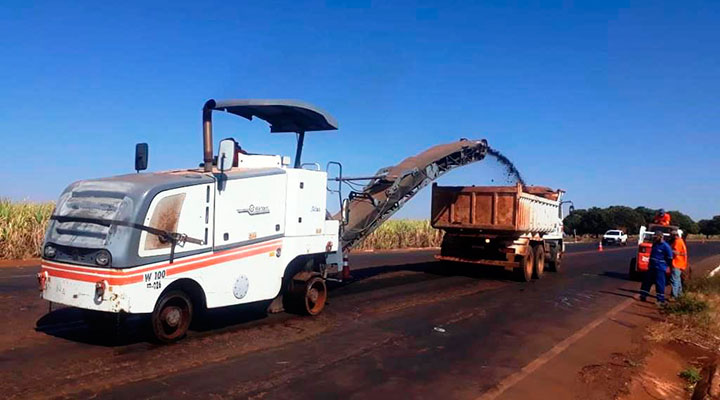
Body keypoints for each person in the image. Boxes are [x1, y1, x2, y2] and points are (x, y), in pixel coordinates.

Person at [640, 231, 674, 304]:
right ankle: (643, 295)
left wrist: (667, 266)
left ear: (661, 237)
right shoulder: (655, 244)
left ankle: (660, 300)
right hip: (652, 267)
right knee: (647, 281)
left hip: (660, 268)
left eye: (656, 237)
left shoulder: (666, 246)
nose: (654, 239)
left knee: (660, 283)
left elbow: (670, 258)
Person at [669, 229, 688, 299]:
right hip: (681, 263)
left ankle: (674, 296)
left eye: (672, 235)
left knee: (674, 280)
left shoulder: (677, 242)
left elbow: (676, 252)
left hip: (676, 263)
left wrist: (668, 250)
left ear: (675, 235)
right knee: (678, 279)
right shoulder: (681, 241)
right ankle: (680, 294)